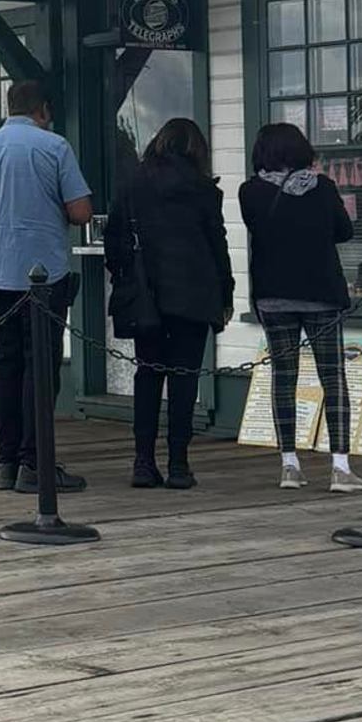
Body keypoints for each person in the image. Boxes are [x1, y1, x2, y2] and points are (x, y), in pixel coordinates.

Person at [0, 78, 93, 495]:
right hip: (44, 277)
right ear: (44, 110)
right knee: (42, 368)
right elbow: (81, 211)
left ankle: (9, 459)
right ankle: (37, 462)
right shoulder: (55, 147)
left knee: (8, 366)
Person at [103, 117, 232, 491]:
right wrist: (226, 292)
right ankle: (179, 463)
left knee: (148, 375)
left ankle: (143, 462)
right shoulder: (204, 189)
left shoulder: (133, 182)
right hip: (194, 293)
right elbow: (217, 244)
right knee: (183, 380)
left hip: (147, 295)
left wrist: (126, 274)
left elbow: (115, 238)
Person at [237, 122, 362, 496]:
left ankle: (289, 464)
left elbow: (258, 227)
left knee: (283, 377)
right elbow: (344, 231)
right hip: (320, 292)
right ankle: (340, 467)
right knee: (333, 378)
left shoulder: (250, 192)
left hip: (273, 295)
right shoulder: (322, 188)